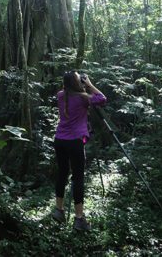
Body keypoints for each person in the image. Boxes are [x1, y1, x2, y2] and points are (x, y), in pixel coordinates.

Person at [51, 71, 106, 230]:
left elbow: (71, 95)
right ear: (77, 82)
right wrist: (88, 84)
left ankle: (59, 211)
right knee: (78, 178)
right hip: (75, 141)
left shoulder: (61, 95)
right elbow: (102, 99)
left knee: (62, 173)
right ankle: (79, 219)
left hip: (60, 140)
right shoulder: (84, 98)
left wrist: (81, 86)